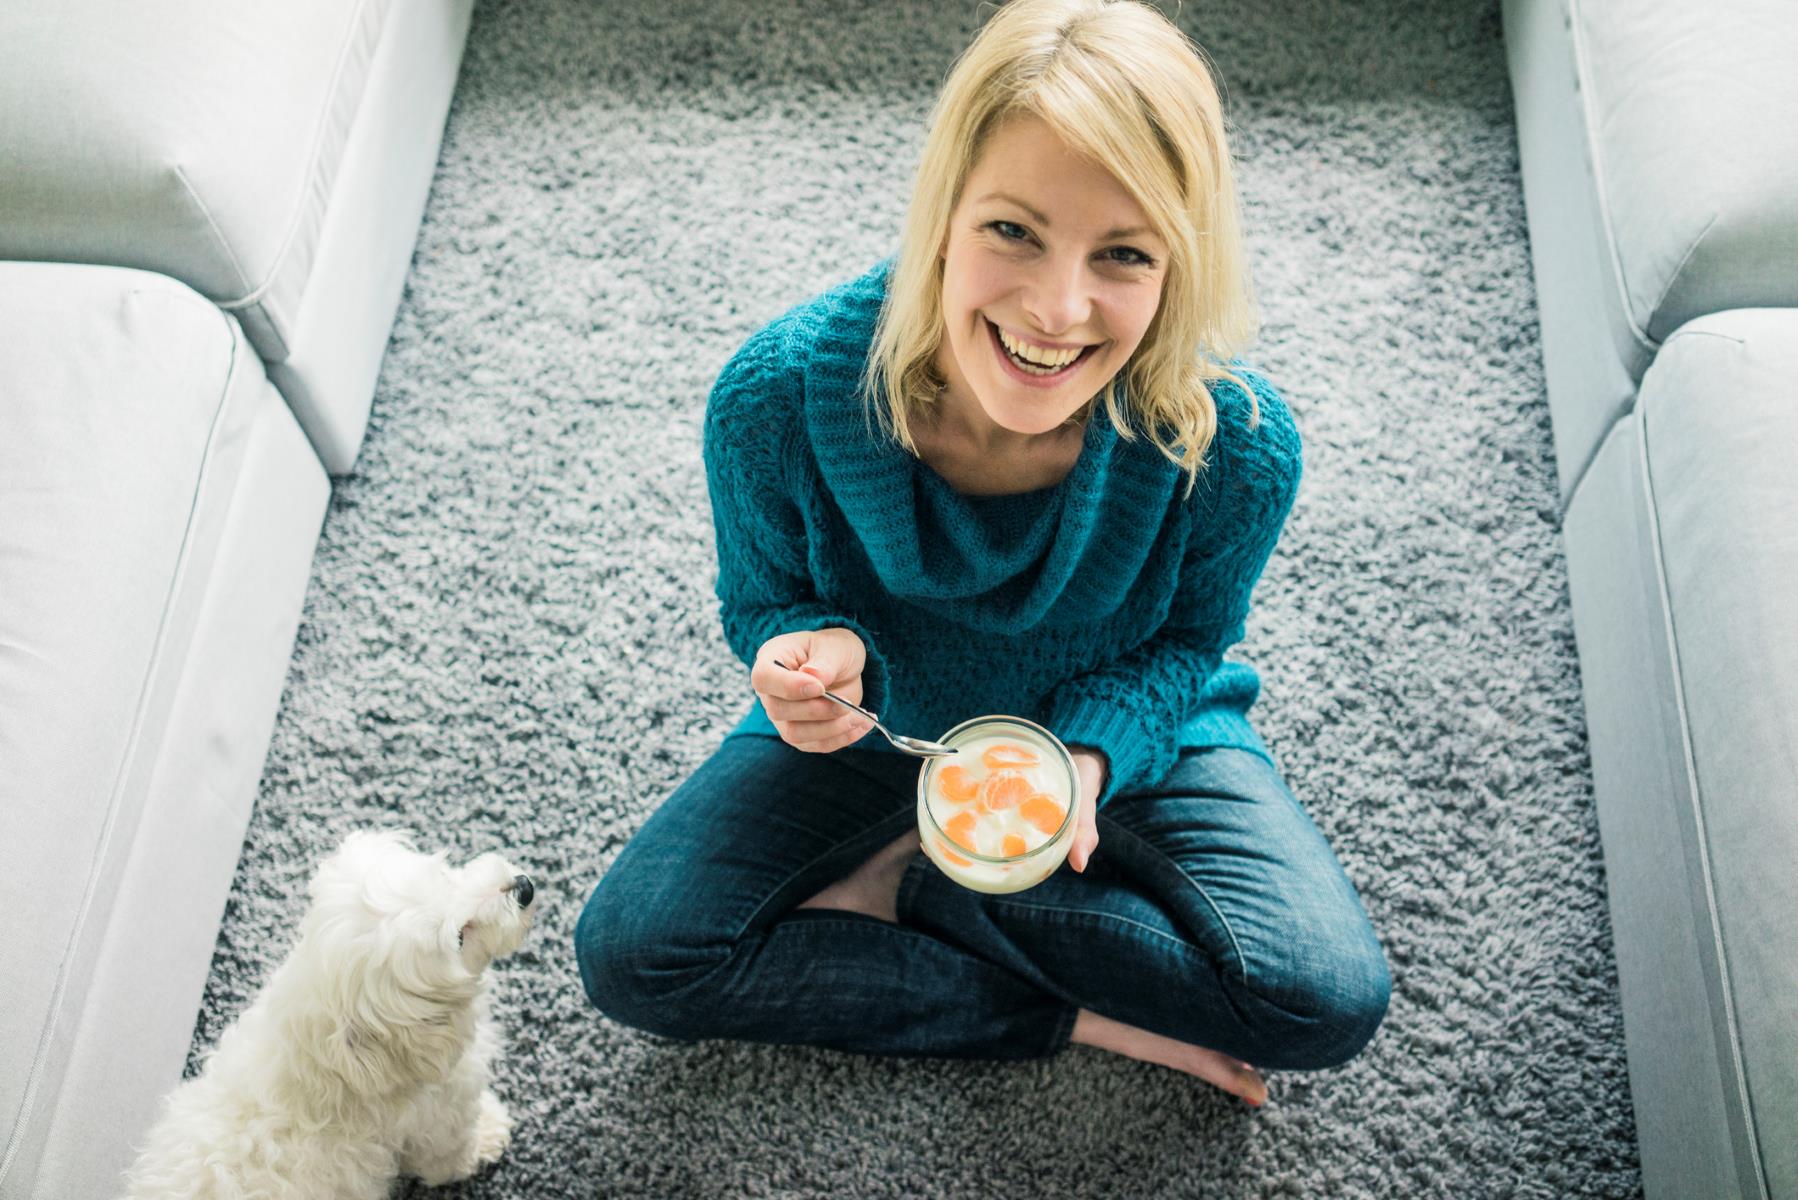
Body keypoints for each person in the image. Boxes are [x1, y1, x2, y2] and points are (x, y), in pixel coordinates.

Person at [575, 0, 1389, 1108]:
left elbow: (1193, 641)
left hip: (1123, 732)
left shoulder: (1235, 444)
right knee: (637, 954)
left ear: (1177, 264)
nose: (1057, 310)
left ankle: (913, 895)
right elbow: (763, 603)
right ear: (942, 213)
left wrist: (1089, 763)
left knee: (1323, 998)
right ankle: (1056, 1004)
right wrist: (800, 653)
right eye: (1012, 230)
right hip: (877, 735)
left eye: (1123, 254)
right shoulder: (772, 402)